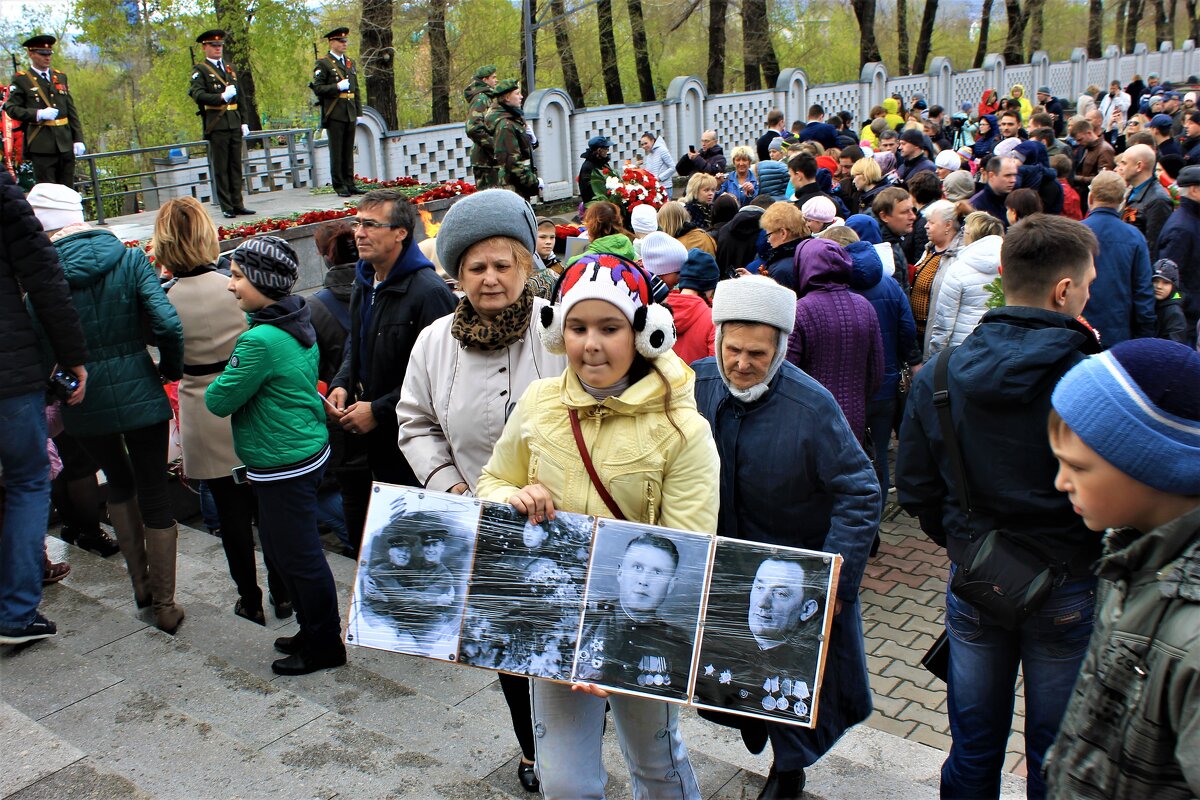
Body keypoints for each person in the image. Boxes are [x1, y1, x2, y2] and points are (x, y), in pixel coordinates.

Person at [476, 250, 720, 800]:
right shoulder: (540, 403)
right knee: (563, 782)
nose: (591, 344)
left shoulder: (683, 430)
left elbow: (690, 551)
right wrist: (515, 496)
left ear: (644, 333)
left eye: (609, 328)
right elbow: (490, 482)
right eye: (578, 326)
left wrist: (617, 642)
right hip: (553, 623)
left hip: (639, 625)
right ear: (558, 331)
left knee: (656, 763)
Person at [896, 214, 1103, 800]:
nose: (1089, 293)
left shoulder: (940, 373)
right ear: (1063, 291)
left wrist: (966, 537)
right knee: (1056, 751)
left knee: (974, 745)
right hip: (1067, 582)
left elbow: (913, 488)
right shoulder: (1090, 378)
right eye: (1086, 282)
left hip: (978, 577)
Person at [397, 189, 567, 791]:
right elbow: (414, 422)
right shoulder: (435, 341)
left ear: (526, 267)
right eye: (477, 267)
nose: (491, 278)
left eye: (504, 264)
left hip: (563, 520)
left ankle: (575, 732)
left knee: (565, 636)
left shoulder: (560, 332)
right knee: (509, 647)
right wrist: (457, 489)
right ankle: (531, 747)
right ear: (457, 273)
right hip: (482, 518)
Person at [691, 275, 879, 799]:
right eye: (733, 350)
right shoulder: (694, 383)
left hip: (789, 573)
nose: (742, 364)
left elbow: (861, 491)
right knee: (734, 671)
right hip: (726, 563)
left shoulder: (811, 405)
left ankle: (789, 768)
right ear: (718, 340)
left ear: (779, 351)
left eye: (758, 353)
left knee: (796, 684)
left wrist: (836, 585)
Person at [1042, 338, 1200, 799]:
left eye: (1078, 467)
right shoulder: (1131, 557)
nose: (1060, 482)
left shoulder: (1190, 635)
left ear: (1155, 466)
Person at [26, 183, 186, 634]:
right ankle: (166, 603)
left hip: (84, 398)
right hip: (139, 386)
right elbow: (168, 325)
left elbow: (39, 343)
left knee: (117, 479)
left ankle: (140, 587)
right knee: (153, 486)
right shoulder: (130, 258)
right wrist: (165, 369)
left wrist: (60, 387)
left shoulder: (42, 275)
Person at [205, 236, 343, 676]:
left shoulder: (260, 340)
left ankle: (324, 644)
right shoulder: (294, 318)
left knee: (298, 557)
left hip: (283, 462)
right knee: (289, 554)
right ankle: (311, 630)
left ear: (264, 281)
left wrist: (227, 373)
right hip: (299, 450)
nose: (231, 285)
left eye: (239, 276)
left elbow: (217, 400)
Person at [153, 197, 288, 625]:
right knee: (267, 505)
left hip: (199, 405)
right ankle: (283, 593)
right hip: (251, 396)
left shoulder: (164, 299)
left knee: (229, 514)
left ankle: (249, 597)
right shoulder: (235, 286)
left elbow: (166, 363)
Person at [327, 190, 457, 553]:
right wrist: (342, 382)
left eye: (371, 224)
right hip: (369, 441)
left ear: (400, 232)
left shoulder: (428, 292)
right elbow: (358, 341)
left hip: (412, 447)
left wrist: (379, 410)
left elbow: (441, 378)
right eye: (357, 223)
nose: (359, 233)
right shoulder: (365, 280)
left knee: (416, 540)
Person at [0, 167, 87, 645]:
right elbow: (44, 278)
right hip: (8, 372)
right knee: (28, 480)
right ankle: (15, 611)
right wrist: (72, 358)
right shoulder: (4, 194)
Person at [779, 238, 884, 444]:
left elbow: (786, 371)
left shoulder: (801, 310)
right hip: (854, 415)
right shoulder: (864, 306)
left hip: (809, 416)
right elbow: (876, 371)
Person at [574, 533, 694, 693]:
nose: (644, 580)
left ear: (671, 584)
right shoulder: (585, 620)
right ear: (620, 573)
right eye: (637, 567)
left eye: (657, 572)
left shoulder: (678, 644)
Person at [1078, 172, 1156, 349]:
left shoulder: (1075, 233)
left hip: (1078, 331)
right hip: (1119, 334)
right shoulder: (1135, 237)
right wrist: (1146, 336)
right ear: (1122, 201)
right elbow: (1143, 291)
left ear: (1090, 197)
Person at [3, 35, 85, 186]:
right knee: (48, 192)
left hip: (65, 143)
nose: (47, 58)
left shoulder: (60, 77)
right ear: (31, 54)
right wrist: (38, 114)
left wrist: (78, 138)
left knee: (68, 190)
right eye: (42, 54)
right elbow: (11, 108)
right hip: (42, 145)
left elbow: (71, 111)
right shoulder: (22, 80)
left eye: (49, 54)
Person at [188, 30, 253, 219]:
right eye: (214, 46)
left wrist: (244, 121)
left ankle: (237, 203)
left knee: (235, 166)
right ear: (205, 47)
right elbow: (197, 94)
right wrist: (220, 97)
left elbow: (241, 98)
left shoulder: (229, 68)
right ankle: (226, 206)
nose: (218, 49)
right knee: (221, 167)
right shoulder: (200, 70)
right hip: (217, 124)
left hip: (233, 122)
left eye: (220, 46)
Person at [925, 211, 1003, 357]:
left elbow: (944, 322)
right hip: (996, 348)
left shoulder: (957, 268)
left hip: (961, 350)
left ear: (970, 234)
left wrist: (934, 358)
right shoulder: (1009, 266)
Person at [310, 27, 363, 198]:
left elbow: (356, 89)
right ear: (331, 42)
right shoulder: (323, 63)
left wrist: (359, 112)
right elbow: (318, 88)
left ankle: (350, 183)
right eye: (340, 41)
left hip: (349, 111)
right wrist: (336, 87)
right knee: (337, 151)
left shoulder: (349, 62)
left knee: (348, 150)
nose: (344, 44)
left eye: (345, 41)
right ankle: (339, 185)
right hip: (335, 113)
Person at [909, 200, 963, 350]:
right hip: (919, 334)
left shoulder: (957, 257)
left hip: (935, 337)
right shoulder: (930, 249)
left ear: (948, 225)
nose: (926, 226)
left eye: (931, 222)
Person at [1156, 164, 1200, 345]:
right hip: (1185, 323)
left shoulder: (1191, 221)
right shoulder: (1182, 228)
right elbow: (1167, 279)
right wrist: (1182, 305)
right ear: (1195, 190)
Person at [1117, 143, 1174, 261]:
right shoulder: (1134, 190)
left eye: (1124, 163)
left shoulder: (1158, 200)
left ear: (1139, 166)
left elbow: (1153, 246)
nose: (1120, 168)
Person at [486, 80, 538, 201]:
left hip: (518, 186)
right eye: (517, 93)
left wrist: (533, 142)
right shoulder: (505, 125)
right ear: (507, 98)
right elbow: (511, 162)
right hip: (513, 188)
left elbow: (521, 151)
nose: (521, 96)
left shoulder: (514, 119)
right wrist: (534, 182)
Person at [665, 248, 718, 364]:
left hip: (659, 381)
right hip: (695, 381)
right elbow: (714, 367)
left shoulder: (658, 307)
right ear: (709, 286)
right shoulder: (712, 319)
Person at [872, 187, 917, 286]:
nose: (913, 216)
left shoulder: (892, 241)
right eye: (905, 212)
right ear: (884, 216)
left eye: (912, 210)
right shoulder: (887, 252)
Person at [465, 65, 500, 187]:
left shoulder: (488, 97)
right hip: (485, 162)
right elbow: (473, 128)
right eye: (493, 77)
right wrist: (495, 146)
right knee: (489, 202)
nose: (496, 80)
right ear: (485, 80)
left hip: (489, 160)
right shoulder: (481, 98)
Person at [1071, 115, 1115, 204]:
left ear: (1089, 133)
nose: (1079, 143)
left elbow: (1103, 179)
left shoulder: (1104, 150)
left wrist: (1077, 178)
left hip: (1094, 197)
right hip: (1085, 194)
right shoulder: (1088, 147)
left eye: (1080, 139)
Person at [970, 156, 1019, 225]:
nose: (1013, 180)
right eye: (1008, 175)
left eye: (1014, 175)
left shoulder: (1017, 201)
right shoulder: (976, 206)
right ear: (991, 175)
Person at [1151, 258, 1189, 343]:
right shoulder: (1150, 304)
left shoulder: (1174, 313)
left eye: (1165, 282)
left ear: (1174, 286)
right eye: (1156, 281)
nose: (1159, 286)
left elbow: (1175, 348)